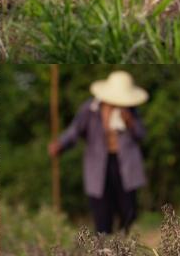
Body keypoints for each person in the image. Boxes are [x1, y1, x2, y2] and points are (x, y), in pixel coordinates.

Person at [48, 71, 148, 235]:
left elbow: (141, 134)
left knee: (128, 212)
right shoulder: (90, 109)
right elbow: (74, 131)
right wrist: (60, 144)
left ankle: (127, 248)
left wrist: (130, 122)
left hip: (126, 166)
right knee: (102, 215)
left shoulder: (131, 111)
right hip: (98, 166)